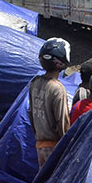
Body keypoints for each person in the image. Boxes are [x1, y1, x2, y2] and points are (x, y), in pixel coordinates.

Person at [27, 39, 71, 168]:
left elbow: (31, 113)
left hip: (40, 144)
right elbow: (62, 121)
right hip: (53, 145)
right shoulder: (58, 89)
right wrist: (66, 147)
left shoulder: (35, 82)